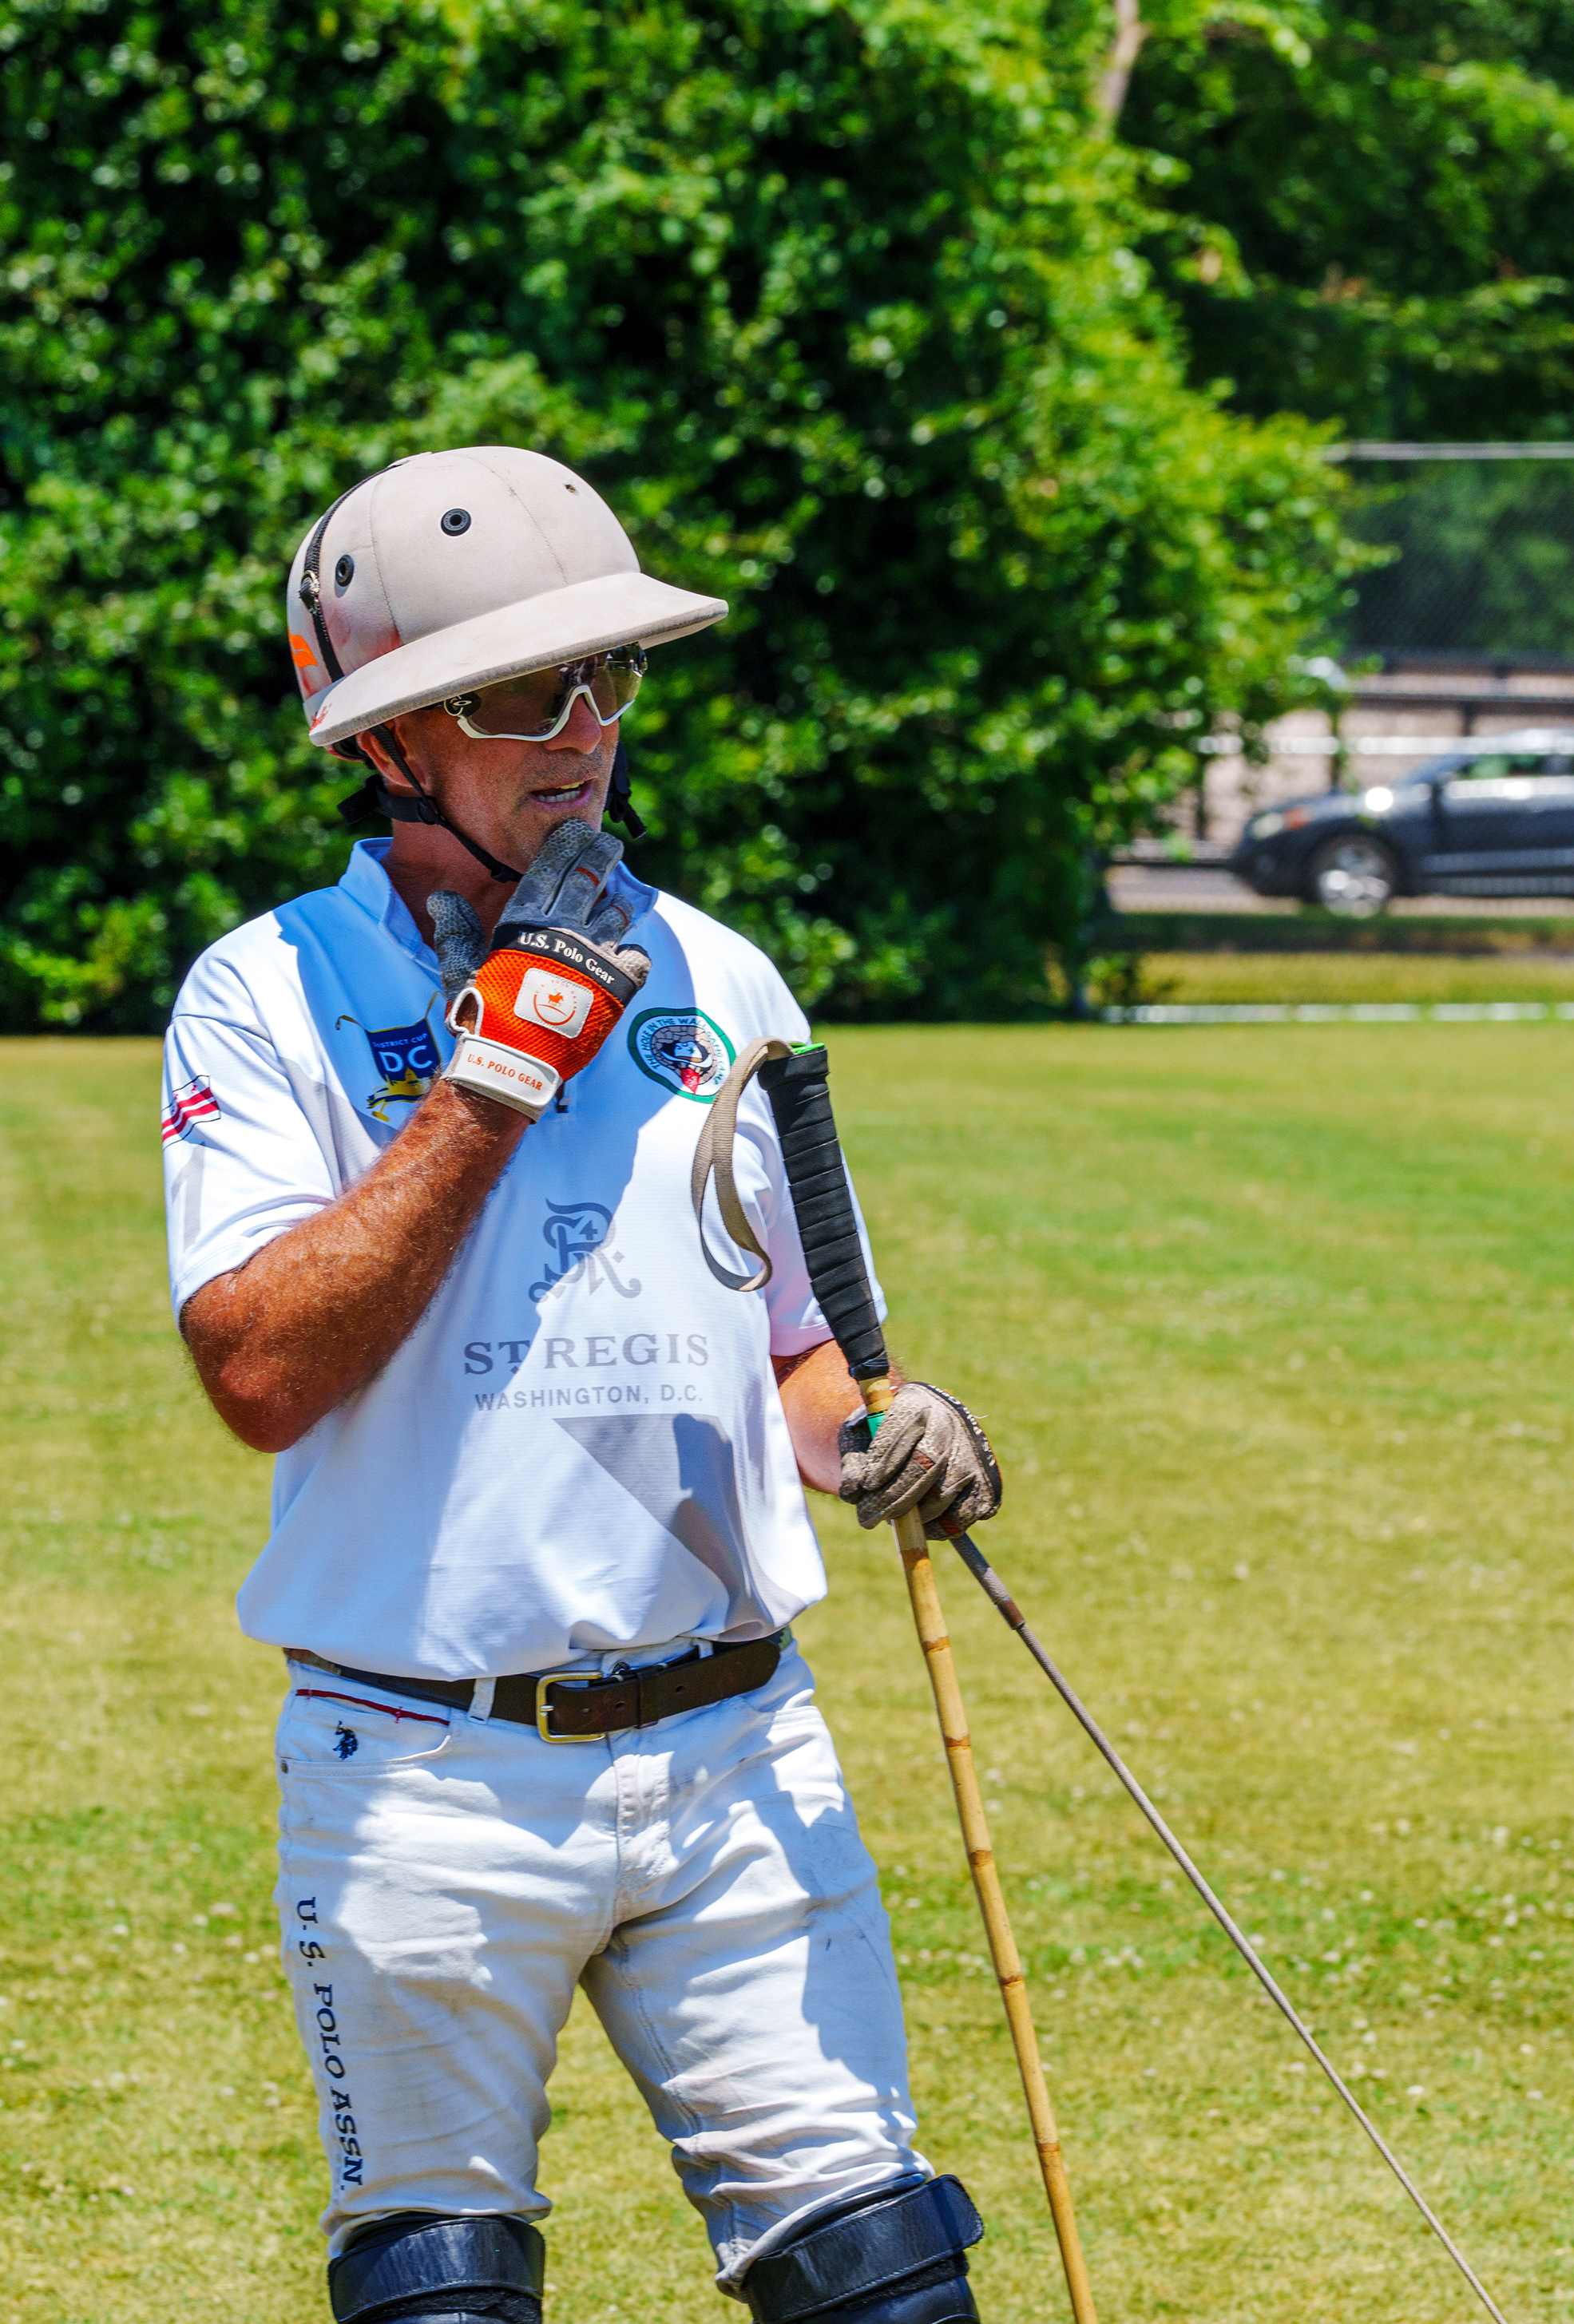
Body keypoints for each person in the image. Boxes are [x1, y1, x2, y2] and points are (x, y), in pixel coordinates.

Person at [164, 447, 1003, 2324]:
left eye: (606, 676)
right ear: (390, 739)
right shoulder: (266, 992)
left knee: (887, 2280)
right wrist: (498, 1069)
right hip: (423, 1771)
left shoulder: (726, 977)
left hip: (736, 1749)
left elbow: (793, 1347)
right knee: (443, 2292)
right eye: (521, 692)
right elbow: (260, 1370)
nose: (583, 731)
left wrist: (884, 1431)